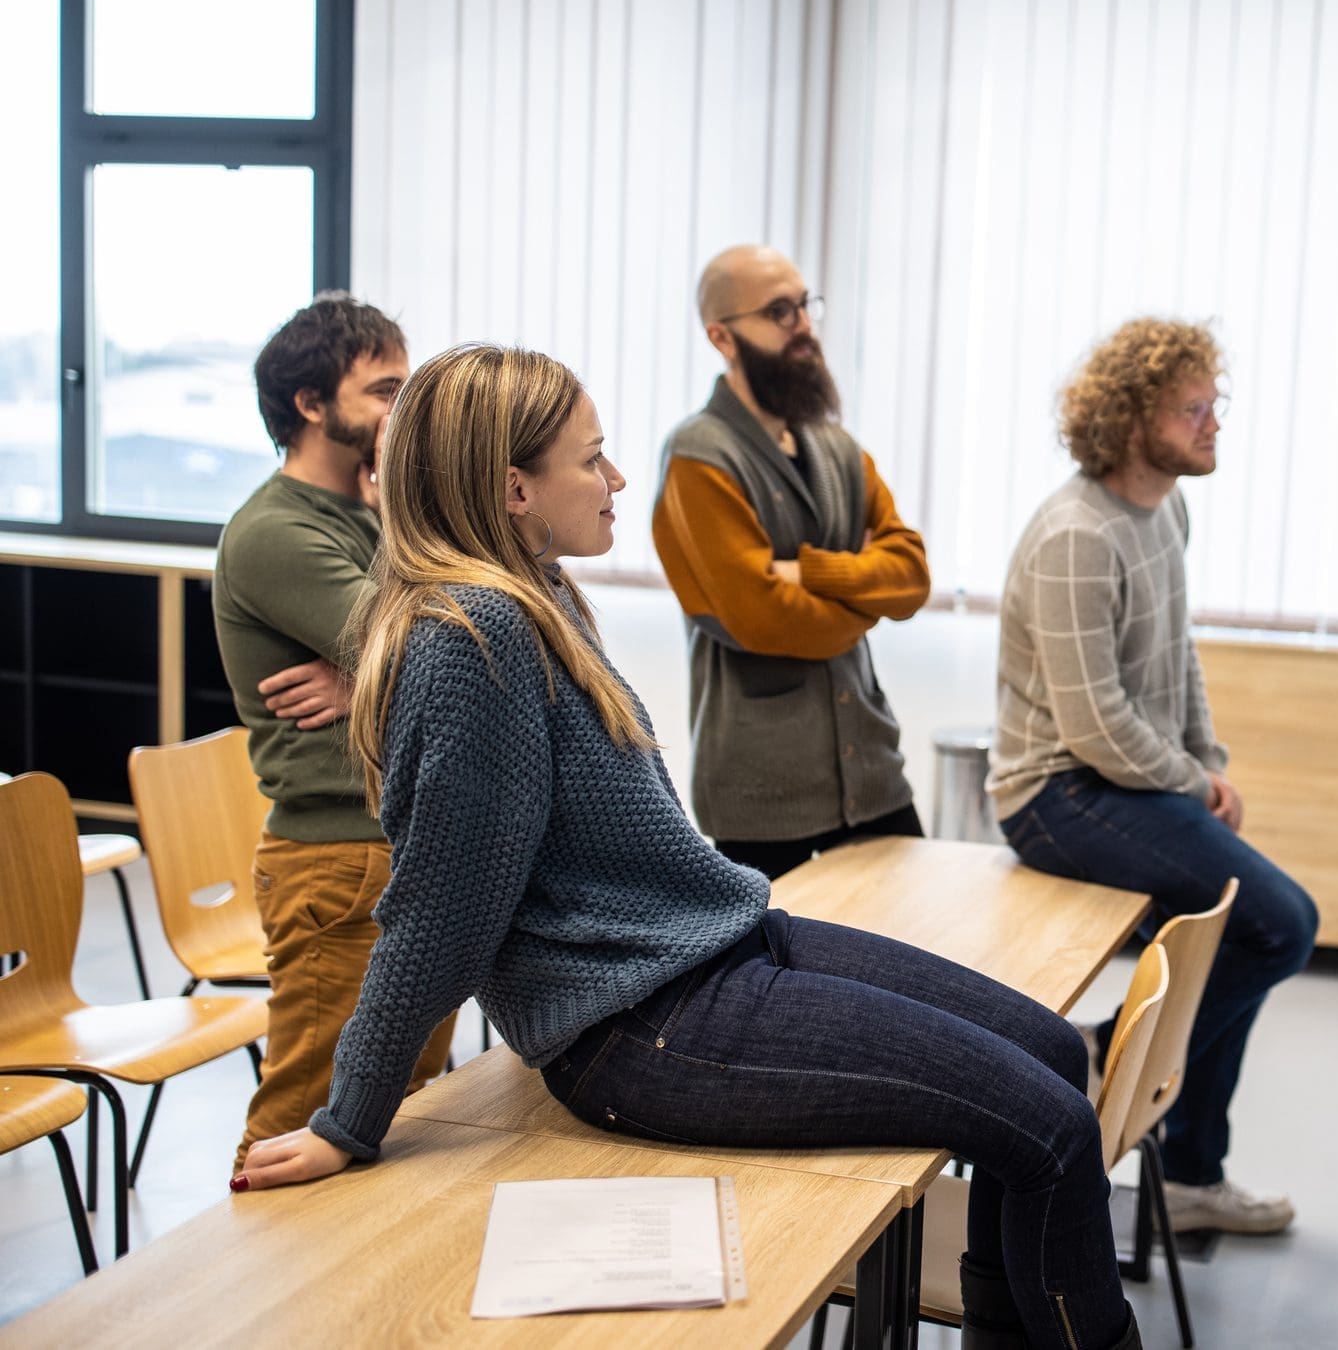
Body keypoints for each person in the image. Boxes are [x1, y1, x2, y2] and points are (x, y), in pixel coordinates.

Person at [234, 344, 1141, 1350]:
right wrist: (347, 1117)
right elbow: (439, 912)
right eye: (595, 458)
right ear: (513, 487)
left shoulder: (534, 594)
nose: (617, 479)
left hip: (717, 948)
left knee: (1057, 1056)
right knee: (1050, 1135)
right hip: (642, 1024)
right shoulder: (469, 637)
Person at [988, 317, 1319, 1237]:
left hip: (1132, 781)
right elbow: (1092, 725)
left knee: (1240, 938)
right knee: (1284, 924)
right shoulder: (1075, 536)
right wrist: (1186, 783)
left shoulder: (1167, 507)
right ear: (1134, 419)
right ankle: (1103, 1062)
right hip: (1055, 794)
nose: (1214, 425)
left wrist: (1205, 765)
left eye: (1215, 405)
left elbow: (1177, 658)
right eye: (1193, 409)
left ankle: (1190, 1175)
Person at [212, 293, 453, 1171]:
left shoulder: (367, 515)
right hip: (336, 860)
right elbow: (438, 644)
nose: (405, 409)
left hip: (392, 846)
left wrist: (364, 677)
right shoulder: (277, 530)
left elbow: (439, 634)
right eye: (384, 391)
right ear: (311, 405)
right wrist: (380, 670)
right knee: (302, 1123)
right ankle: (243, 1305)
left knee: (405, 1118)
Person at [652, 245, 929, 878]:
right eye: (780, 311)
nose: (804, 325)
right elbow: (762, 618)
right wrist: (865, 601)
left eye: (806, 305)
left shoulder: (836, 446)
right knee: (784, 975)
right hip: (761, 797)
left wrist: (811, 573)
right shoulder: (698, 456)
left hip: (874, 774)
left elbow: (912, 576)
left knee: (916, 950)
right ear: (721, 335)